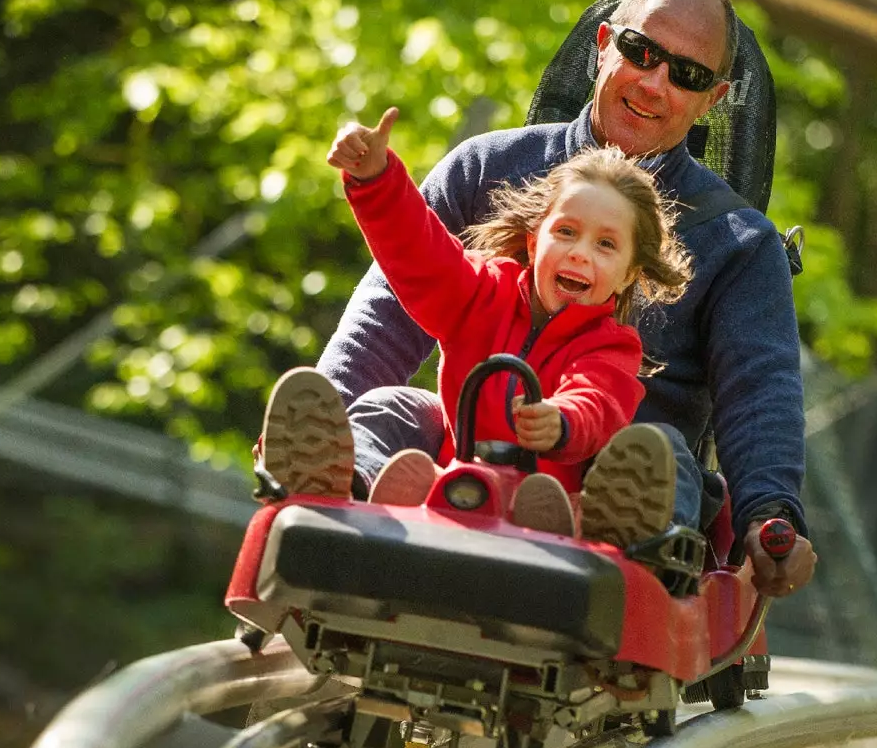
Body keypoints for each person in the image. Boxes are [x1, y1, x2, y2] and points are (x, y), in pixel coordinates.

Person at [313, 0, 817, 596]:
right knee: (392, 410)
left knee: (659, 452)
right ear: (604, 44)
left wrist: (772, 518)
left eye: (685, 75)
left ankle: (606, 540)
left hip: (615, 483)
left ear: (711, 99)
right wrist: (324, 411)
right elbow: (394, 300)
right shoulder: (487, 168)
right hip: (464, 455)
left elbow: (759, 393)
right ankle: (325, 474)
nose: (654, 83)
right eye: (641, 52)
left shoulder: (740, 244)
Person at [258, 107, 693, 542]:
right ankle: (346, 482)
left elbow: (597, 398)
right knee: (396, 405)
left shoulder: (611, 348)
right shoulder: (484, 290)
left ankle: (605, 533)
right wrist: (376, 178)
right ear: (533, 238)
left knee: (647, 445)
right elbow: (421, 254)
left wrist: (562, 420)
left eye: (605, 244)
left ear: (630, 272)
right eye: (565, 232)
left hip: (552, 504)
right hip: (451, 480)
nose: (580, 253)